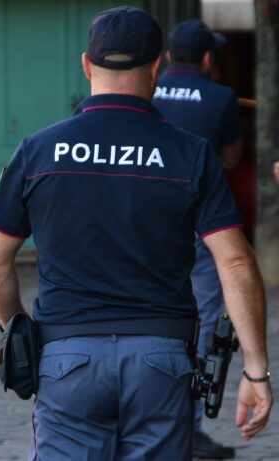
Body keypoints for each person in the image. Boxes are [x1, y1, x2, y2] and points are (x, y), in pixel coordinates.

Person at [0, 7, 272, 460]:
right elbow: (233, 261)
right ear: (156, 67)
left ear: (86, 64)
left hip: (67, 356)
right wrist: (255, 371)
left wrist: (15, 329)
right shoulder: (189, 155)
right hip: (160, 361)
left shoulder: (38, 151)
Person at [152, 19, 243, 459]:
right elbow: (229, 159)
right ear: (208, 60)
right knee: (204, 320)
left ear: (167, 59)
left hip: (143, 224)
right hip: (202, 224)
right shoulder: (221, 98)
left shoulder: (143, 90)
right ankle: (184, 428)